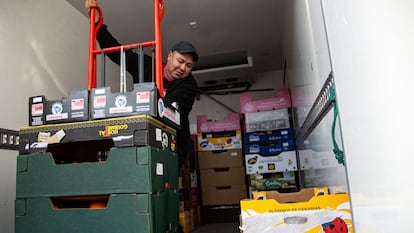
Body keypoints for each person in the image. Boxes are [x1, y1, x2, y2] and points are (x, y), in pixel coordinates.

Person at [85, 0, 198, 166]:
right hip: (139, 136)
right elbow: (116, 51)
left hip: (171, 145)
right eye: (180, 61)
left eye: (188, 66)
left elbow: (170, 109)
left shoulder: (189, 84)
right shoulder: (145, 65)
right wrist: (97, 23)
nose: (183, 68)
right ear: (169, 56)